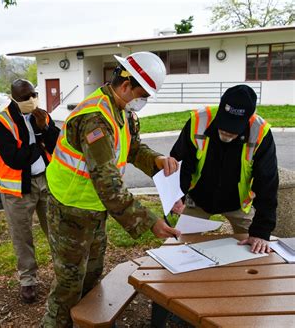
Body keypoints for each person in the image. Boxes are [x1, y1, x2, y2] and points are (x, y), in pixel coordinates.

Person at [42, 52, 181, 327]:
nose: (144, 102)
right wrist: (150, 222)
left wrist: (156, 161)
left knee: (92, 277)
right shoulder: (95, 118)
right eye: (143, 94)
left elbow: (131, 147)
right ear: (127, 85)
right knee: (69, 287)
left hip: (94, 210)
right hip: (70, 210)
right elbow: (108, 184)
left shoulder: (121, 110)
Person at [170, 84, 278, 254]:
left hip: (238, 203)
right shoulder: (199, 121)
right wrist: (177, 195)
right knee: (180, 248)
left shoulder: (261, 133)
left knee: (256, 249)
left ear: (248, 118)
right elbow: (180, 161)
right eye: (225, 124)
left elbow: (267, 183)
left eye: (234, 128)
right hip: (198, 198)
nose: (227, 132)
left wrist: (261, 231)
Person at [0, 79, 60, 303]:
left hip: (46, 182)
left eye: (33, 94)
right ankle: (28, 281)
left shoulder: (42, 115)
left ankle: (64, 273)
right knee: (22, 237)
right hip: (17, 189)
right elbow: (16, 159)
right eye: (25, 97)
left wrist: (45, 128)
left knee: (56, 229)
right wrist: (38, 137)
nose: (31, 100)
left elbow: (57, 144)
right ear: (13, 98)